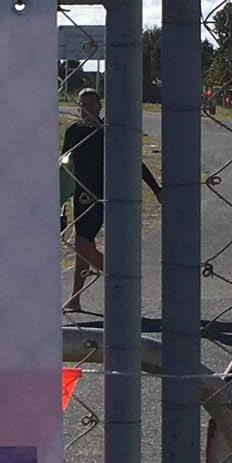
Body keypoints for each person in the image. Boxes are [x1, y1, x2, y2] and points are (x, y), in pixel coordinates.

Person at [61, 87, 160, 314]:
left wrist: (156, 189)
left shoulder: (110, 132)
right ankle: (79, 297)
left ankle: (120, 283)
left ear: (100, 106)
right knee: (83, 247)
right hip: (81, 195)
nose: (86, 108)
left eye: (91, 103)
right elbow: (64, 164)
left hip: (105, 195)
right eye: (82, 104)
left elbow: (135, 162)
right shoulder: (73, 131)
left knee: (82, 246)